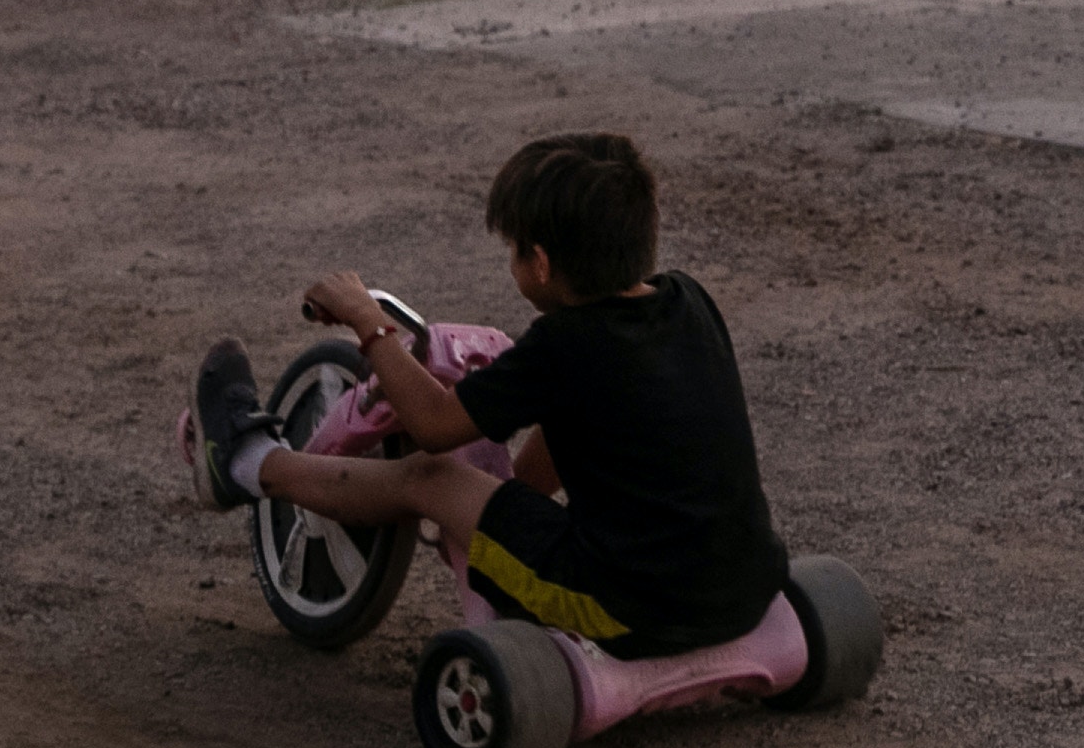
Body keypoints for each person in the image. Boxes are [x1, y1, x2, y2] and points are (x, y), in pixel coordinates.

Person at [189, 132, 791, 656]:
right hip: (745, 584)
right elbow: (579, 425)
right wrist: (503, 505)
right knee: (531, 463)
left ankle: (244, 462)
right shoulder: (688, 301)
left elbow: (432, 425)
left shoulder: (563, 346)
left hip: (624, 609)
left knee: (427, 477)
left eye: (513, 251)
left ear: (541, 264)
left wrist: (368, 323)